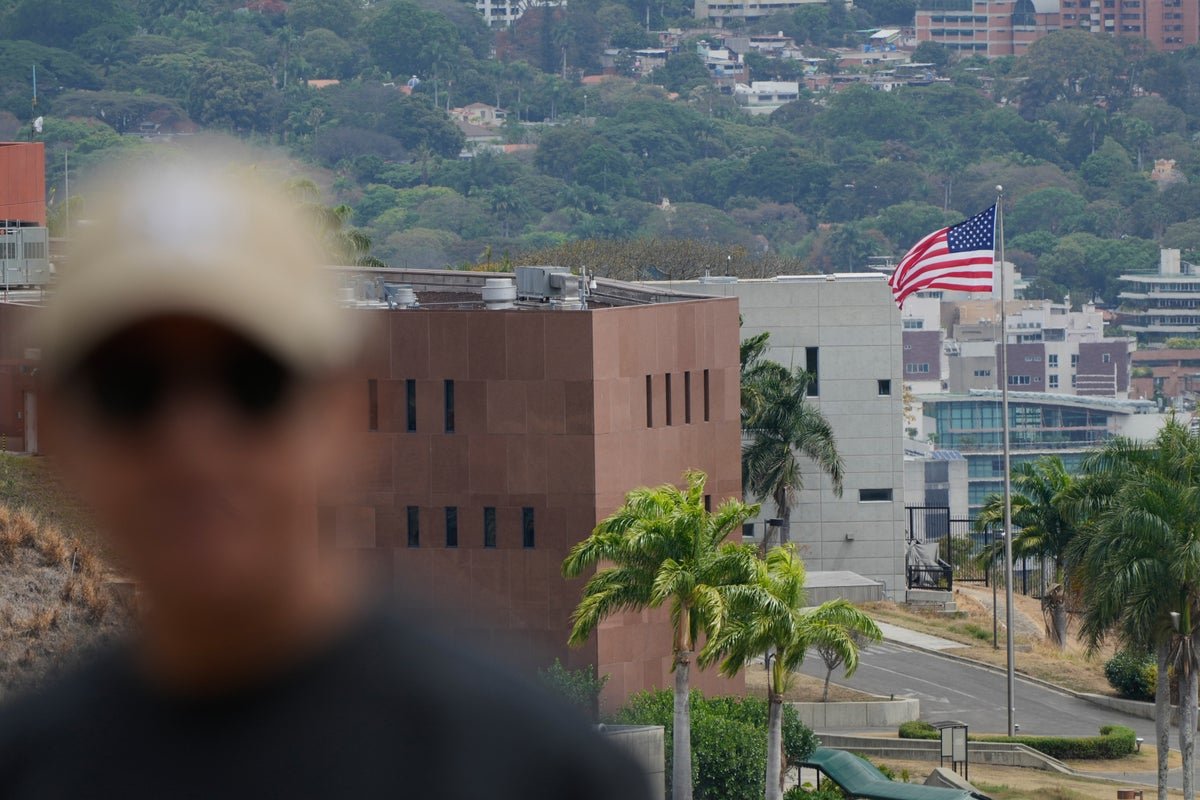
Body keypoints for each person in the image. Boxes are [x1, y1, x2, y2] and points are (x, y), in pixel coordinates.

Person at [0, 161, 651, 800]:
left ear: (345, 411)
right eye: (131, 390)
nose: (193, 445)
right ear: (57, 429)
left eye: (253, 383)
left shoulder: (535, 774)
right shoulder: (28, 769)